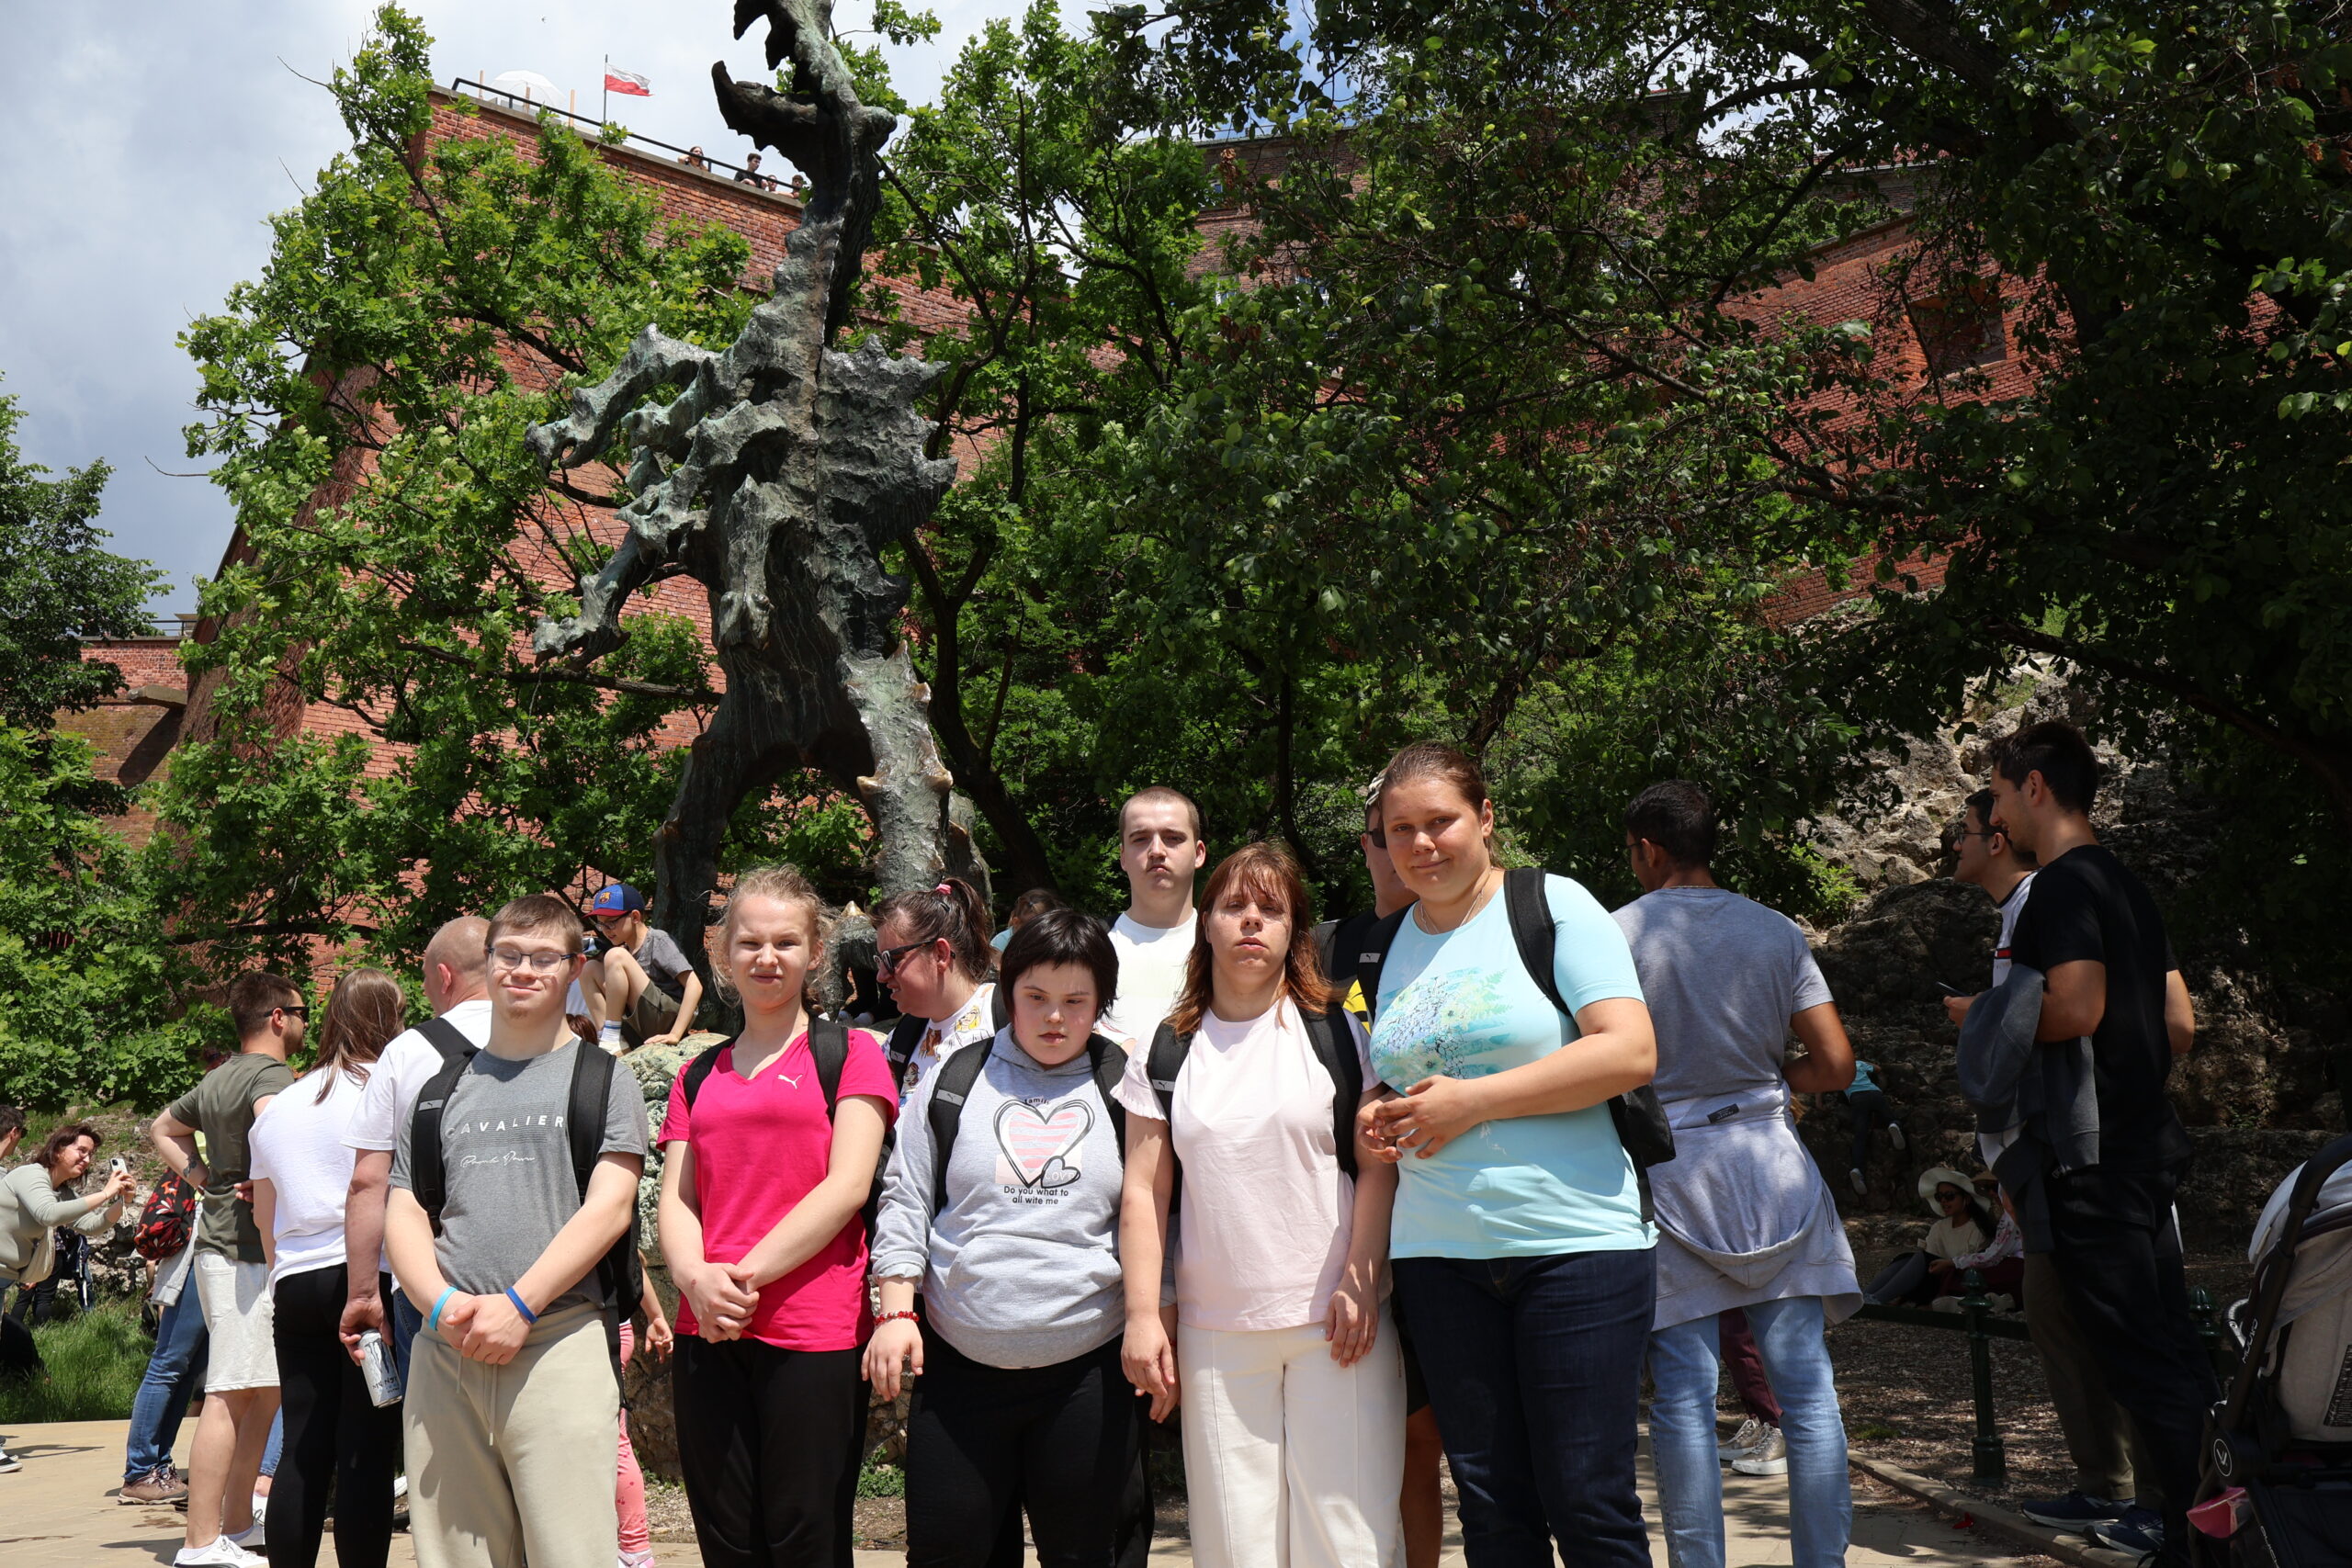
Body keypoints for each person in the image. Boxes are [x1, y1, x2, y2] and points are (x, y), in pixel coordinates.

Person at [1358, 742, 1660, 1568]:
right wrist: (1378, 1112)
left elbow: (1630, 1050)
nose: (1422, 844)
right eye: (1400, 830)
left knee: (1588, 1502)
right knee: (1492, 1511)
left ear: (1486, 818)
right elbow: (1400, 1076)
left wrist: (1474, 1100)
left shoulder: (1553, 904)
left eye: (1440, 821)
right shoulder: (1387, 945)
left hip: (1576, 1244)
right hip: (1439, 1254)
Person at [1120, 841, 1403, 1568]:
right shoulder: (1166, 1048)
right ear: (1206, 923)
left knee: (1348, 1543)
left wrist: (1362, 1276)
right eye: (1234, 905)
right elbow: (1145, 1190)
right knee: (1235, 1548)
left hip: (1339, 1324)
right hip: (1216, 1336)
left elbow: (1379, 1166)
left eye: (1271, 909)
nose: (1251, 920)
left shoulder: (1338, 1028)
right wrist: (1145, 1314)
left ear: (1293, 929)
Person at [1973, 721, 2208, 1564]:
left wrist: (1987, 1019)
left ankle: (2191, 1539)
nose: (1998, 813)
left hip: (2093, 1158)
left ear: (2034, 787)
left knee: (2138, 1360)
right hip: (2146, 1145)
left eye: (2000, 793)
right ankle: (2216, 1524)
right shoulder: (2126, 884)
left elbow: (2074, 1007)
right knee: (2170, 1348)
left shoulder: (2063, 886)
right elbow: (2179, 1023)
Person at [1614, 780, 1860, 1568]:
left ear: (1650, 849)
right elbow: (1836, 1062)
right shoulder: (1776, 930)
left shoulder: (1616, 934)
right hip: (1771, 1166)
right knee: (1808, 1392)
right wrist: (1775, 1082)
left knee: (1684, 1397)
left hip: (1674, 1174)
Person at [867, 908, 1137, 1568]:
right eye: (1035, 997)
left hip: (1088, 1372)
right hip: (959, 1373)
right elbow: (906, 1197)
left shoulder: (1125, 1086)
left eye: (1076, 1000)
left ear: (1101, 1002)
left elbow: (1158, 1214)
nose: (1055, 1017)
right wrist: (896, 1311)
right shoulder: (954, 1078)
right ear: (1008, 993)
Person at [386, 895, 647, 1568]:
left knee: (571, 1555)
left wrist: (519, 1305)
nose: (524, 970)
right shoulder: (439, 1090)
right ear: (489, 960)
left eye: (544, 958)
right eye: (509, 955)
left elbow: (610, 1208)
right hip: (446, 1352)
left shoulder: (603, 1079)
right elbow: (404, 1210)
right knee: (452, 1557)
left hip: (559, 1340)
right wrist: (441, 1307)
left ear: (574, 968)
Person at [659, 866, 895, 1568]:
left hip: (812, 1331)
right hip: (707, 1328)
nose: (767, 957)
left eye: (786, 942)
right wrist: (696, 1281)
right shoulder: (697, 1073)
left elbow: (847, 1185)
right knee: (728, 1543)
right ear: (723, 953)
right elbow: (678, 1198)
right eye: (751, 942)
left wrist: (738, 1278)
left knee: (806, 1540)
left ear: (815, 952)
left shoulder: (851, 1053)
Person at [1314, 788, 1445, 1568]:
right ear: (1367, 845)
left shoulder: (1464, 935)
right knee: (1389, 1433)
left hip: (1448, 1205)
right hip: (1360, 1212)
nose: (1399, 848)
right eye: (1384, 833)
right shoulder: (1331, 948)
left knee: (1437, 1433)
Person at [248, 969, 407, 1568]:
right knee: (365, 1447)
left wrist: (280, 1277)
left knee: (302, 1445)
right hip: (369, 1277)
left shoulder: (280, 1106)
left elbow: (264, 1214)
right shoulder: (388, 1089)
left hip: (294, 1282)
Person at [151, 971, 303, 1567]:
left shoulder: (218, 1077)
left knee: (263, 1391)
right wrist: (270, 1179)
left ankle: (236, 1523)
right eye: (300, 1013)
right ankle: (199, 1542)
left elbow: (163, 1129)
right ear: (277, 1017)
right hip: (245, 1252)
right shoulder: (271, 1076)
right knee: (229, 1392)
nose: (303, 1023)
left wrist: (204, 1178)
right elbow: (279, 1129)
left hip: (227, 1247)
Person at [341, 917, 492, 1382]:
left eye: (426, 979)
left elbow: (369, 1180)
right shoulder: (556, 1039)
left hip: (430, 1278)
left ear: (445, 976)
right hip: (541, 1279)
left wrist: (363, 1292)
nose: (426, 991)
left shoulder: (407, 1051)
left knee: (436, 1421)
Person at [0, 1124, 134, 1427]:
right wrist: (105, 1192)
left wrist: (120, 1202)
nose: (87, 1159)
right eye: (81, 1150)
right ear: (58, 1149)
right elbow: (47, 1214)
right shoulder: (31, 1174)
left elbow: (92, 1226)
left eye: (91, 1154)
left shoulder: (61, 1192)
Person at [120, 1148, 209, 1505]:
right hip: (197, 1257)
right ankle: (140, 1471)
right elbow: (162, 1129)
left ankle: (158, 1466)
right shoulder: (206, 1130)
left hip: (207, 1256)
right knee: (169, 1365)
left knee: (186, 1371)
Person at [1098, 787, 1206, 1045]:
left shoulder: (1224, 946)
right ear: (1123, 857)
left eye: (1173, 838)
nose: (1157, 850)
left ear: (1199, 853)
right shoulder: (1089, 945)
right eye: (1141, 839)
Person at [876, 878, 1001, 1099]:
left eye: (892, 959)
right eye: (880, 961)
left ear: (940, 954)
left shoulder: (1011, 1025)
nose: (881, 976)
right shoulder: (902, 1039)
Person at [1859, 1168, 2011, 1307]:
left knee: (1922, 1258)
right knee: (1905, 1259)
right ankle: (1865, 1296)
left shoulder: (1978, 1229)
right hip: (1936, 1276)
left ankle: (1877, 1299)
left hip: (1958, 1279)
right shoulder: (1939, 1227)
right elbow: (1928, 1259)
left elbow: (1975, 1262)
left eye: (1949, 1196)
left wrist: (1947, 1264)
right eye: (1940, 1197)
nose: (1944, 1201)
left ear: (1966, 1199)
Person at [587, 885, 703, 1048]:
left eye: (611, 923)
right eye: (601, 924)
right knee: (589, 968)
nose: (606, 930)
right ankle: (608, 1038)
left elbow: (694, 985)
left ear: (635, 916)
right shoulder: (625, 951)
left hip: (665, 1020)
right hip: (640, 1023)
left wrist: (676, 1033)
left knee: (615, 955)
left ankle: (611, 1035)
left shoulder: (658, 940)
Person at [616, 1266, 674, 1568]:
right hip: (611, 1329)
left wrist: (656, 1317)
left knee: (615, 1442)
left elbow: (630, 1261)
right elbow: (632, 1261)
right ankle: (634, 1550)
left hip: (602, 1332)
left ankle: (634, 1550)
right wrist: (655, 1316)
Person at [1841, 1057, 1904, 1196]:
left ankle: (1857, 1169)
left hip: (1856, 1097)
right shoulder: (1857, 1064)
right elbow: (1878, 1068)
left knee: (1860, 1136)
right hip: (1874, 1093)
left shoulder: (1835, 1070)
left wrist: (1819, 1103)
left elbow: (1821, 1086)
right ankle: (1893, 1124)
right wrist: (1862, 1062)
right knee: (1889, 1116)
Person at [990, 886, 1066, 953]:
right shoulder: (1001, 942)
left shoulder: (1045, 941)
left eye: (1043, 929)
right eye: (1032, 930)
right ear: (1016, 923)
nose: (1038, 935)